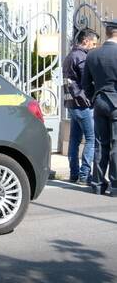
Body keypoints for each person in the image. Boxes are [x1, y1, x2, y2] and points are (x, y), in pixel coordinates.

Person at [82, 20, 117, 197]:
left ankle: (97, 184)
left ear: (108, 33)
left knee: (100, 144)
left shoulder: (93, 55)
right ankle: (115, 185)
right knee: (116, 145)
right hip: (115, 102)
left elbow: (85, 84)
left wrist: (93, 98)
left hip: (99, 102)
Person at [63, 29, 98, 184]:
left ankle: (74, 174)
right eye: (94, 43)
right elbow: (87, 80)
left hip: (71, 103)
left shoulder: (70, 55)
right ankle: (84, 175)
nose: (94, 47)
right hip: (82, 104)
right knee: (91, 139)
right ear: (85, 41)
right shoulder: (82, 57)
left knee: (74, 140)